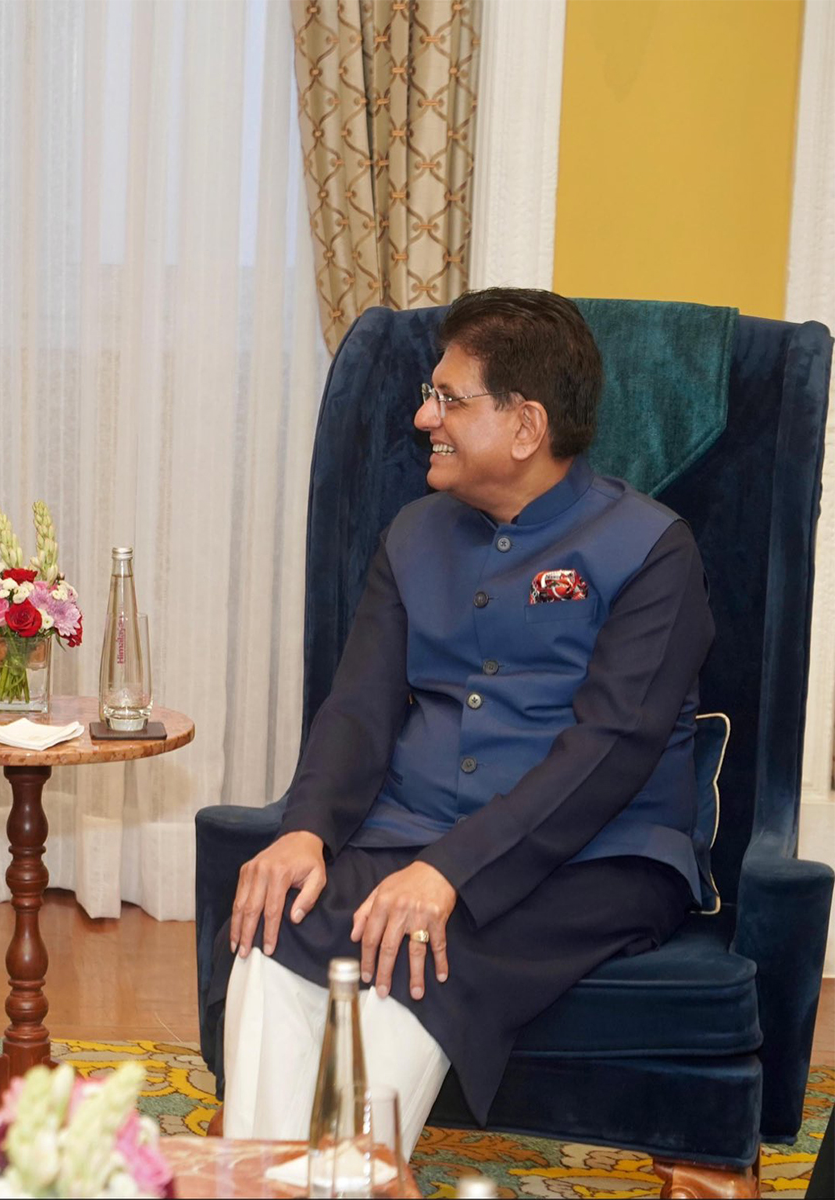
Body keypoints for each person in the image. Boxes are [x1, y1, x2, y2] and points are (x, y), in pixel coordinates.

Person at [220, 288, 714, 1154]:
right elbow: (359, 708)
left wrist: (447, 872)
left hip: (598, 855)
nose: (424, 417)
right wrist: (305, 830)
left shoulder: (649, 550)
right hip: (411, 830)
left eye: (448, 399)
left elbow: (609, 754)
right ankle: (258, 1176)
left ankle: (347, 1174)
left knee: (414, 956)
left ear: (526, 427)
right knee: (274, 938)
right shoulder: (414, 534)